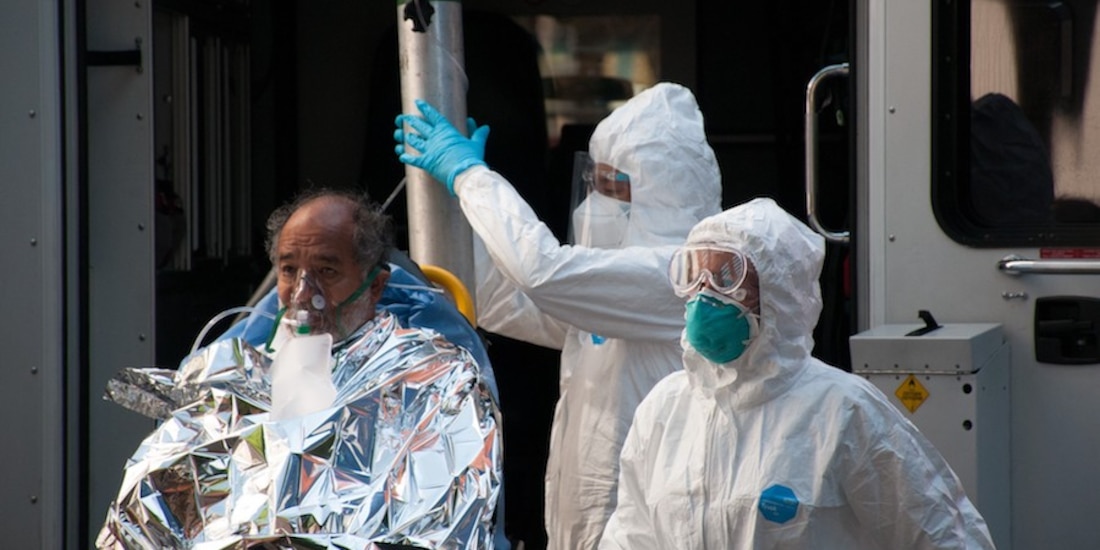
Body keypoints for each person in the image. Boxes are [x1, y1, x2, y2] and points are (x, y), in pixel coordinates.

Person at [394, 82, 723, 549]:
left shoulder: (682, 274)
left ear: (660, 193)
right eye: (595, 182)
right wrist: (454, 204)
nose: (594, 202)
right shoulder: (607, 289)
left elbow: (542, 271)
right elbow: (501, 302)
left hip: (652, 524)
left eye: (612, 186)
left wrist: (471, 177)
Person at [97, 190, 503, 549]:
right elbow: (150, 508)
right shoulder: (235, 375)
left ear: (374, 286)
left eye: (327, 271)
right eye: (289, 270)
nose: (304, 294)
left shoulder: (436, 382)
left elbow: (443, 528)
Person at [598, 197, 995, 549]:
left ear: (779, 296)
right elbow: (630, 535)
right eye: (695, 276)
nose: (705, 296)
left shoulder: (842, 411)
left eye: (727, 279)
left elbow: (942, 534)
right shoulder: (665, 409)